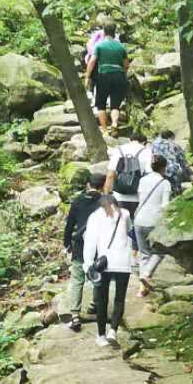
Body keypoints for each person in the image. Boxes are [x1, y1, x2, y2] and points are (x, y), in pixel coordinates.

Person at [82, 186, 137, 346]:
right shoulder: (125, 214)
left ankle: (100, 336)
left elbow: (90, 242)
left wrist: (88, 264)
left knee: (102, 300)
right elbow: (128, 233)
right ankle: (113, 330)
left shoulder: (95, 217)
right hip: (123, 262)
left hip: (104, 263)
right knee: (119, 299)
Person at [61, 169, 105, 332]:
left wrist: (67, 244)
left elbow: (69, 225)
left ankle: (75, 316)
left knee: (77, 280)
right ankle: (94, 304)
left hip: (80, 245)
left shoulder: (78, 200)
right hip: (99, 246)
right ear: (103, 186)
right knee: (97, 276)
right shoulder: (106, 202)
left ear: (88, 184)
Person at [134, 152, 173, 294]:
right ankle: (146, 275)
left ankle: (141, 289)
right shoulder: (165, 183)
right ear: (164, 167)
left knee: (144, 253)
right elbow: (165, 206)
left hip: (139, 220)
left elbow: (140, 198)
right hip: (154, 221)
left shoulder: (143, 180)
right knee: (160, 251)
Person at [85, 20, 129, 135]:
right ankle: (114, 123)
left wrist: (87, 77)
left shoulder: (99, 45)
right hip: (119, 75)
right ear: (114, 33)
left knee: (101, 105)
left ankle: (104, 130)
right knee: (115, 104)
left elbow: (92, 62)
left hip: (104, 75)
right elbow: (126, 65)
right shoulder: (121, 46)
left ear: (104, 32)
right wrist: (122, 75)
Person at [105, 131, 146, 224]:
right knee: (136, 224)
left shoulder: (119, 150)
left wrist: (106, 194)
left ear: (130, 140)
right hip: (138, 196)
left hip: (119, 195)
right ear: (144, 142)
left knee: (120, 224)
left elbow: (110, 174)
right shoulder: (146, 151)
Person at [149, 125, 191, 194]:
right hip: (173, 173)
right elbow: (183, 161)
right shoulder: (174, 145)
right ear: (170, 137)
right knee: (176, 192)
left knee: (164, 193)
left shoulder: (154, 145)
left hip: (159, 172)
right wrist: (191, 176)